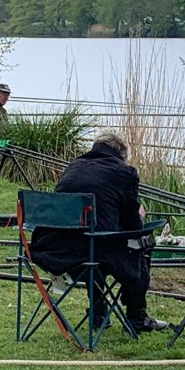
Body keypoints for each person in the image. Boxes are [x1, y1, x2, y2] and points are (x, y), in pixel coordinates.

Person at [29, 130, 169, 333]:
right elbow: (132, 225)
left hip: (57, 251)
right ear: (121, 154)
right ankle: (137, 316)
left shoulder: (73, 166)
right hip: (95, 252)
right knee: (142, 243)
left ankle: (98, 312)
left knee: (91, 241)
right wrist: (139, 215)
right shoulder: (124, 172)